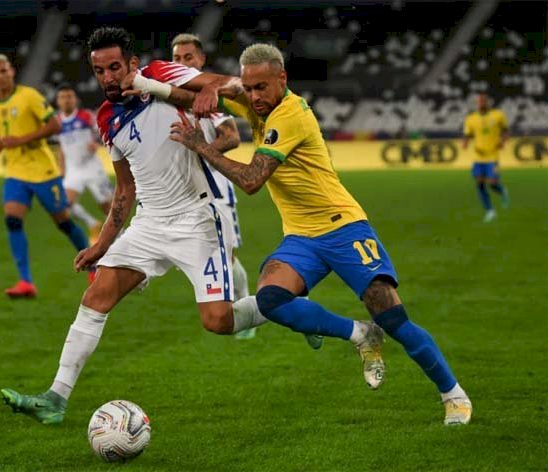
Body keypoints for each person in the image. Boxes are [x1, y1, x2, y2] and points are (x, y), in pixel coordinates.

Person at [0, 28, 380, 424]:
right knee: (96, 297)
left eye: (115, 67)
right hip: (148, 224)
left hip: (196, 221)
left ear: (133, 64)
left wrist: (214, 91)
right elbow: (124, 190)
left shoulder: (163, 74)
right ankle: (55, 399)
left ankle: (289, 307)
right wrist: (101, 245)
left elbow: (230, 84)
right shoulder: (106, 118)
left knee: (219, 321)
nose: (109, 77)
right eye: (99, 71)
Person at [169, 43, 471, 425]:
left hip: (342, 226)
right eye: (249, 88)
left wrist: (202, 147)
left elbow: (250, 180)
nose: (254, 97)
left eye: (262, 87)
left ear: (282, 79)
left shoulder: (291, 115)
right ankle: (361, 335)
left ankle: (453, 395)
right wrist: (146, 87)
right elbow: (187, 94)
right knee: (272, 299)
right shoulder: (254, 102)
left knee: (392, 315)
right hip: (302, 237)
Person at [171, 33, 261, 342]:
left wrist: (200, 151)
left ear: (201, 60)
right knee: (204, 256)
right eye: (177, 59)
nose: (183, 63)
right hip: (188, 193)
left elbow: (232, 136)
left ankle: (247, 304)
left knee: (228, 257)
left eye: (188, 58)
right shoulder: (172, 95)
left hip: (218, 189)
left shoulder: (210, 95)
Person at [0, 54, 91, 298]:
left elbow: (55, 126)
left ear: (12, 71)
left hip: (43, 172)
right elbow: (1, 137)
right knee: (12, 220)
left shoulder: (29, 96)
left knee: (63, 223)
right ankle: (26, 282)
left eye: (3, 71)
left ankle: (93, 265)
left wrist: (21, 140)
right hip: (15, 172)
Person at [54, 82, 113, 244]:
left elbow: (103, 132)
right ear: (57, 101)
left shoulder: (86, 116)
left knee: (107, 207)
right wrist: (61, 170)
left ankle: (119, 235)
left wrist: (96, 142)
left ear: (75, 100)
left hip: (93, 168)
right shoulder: (56, 122)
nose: (66, 100)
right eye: (63, 97)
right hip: (74, 171)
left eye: (69, 97)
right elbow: (61, 147)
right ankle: (92, 223)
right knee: (64, 206)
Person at [462, 93, 509, 222]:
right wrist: (465, 142)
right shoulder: (471, 119)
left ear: (487, 102)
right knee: (479, 183)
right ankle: (490, 211)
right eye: (479, 101)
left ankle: (502, 190)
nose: (481, 103)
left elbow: (505, 130)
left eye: (483, 101)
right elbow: (468, 134)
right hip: (478, 157)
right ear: (476, 103)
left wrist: (503, 141)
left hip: (492, 156)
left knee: (492, 183)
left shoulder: (498, 115)